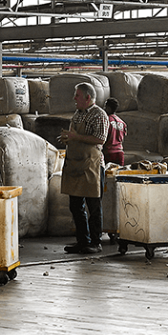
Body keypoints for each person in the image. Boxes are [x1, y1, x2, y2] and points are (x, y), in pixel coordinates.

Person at [59, 82, 108, 255]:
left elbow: (100, 139)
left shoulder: (99, 115)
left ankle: (95, 242)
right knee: (75, 206)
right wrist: (68, 138)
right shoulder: (77, 114)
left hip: (92, 167)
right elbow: (76, 136)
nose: (74, 98)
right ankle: (83, 241)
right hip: (76, 165)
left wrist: (76, 137)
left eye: (77, 95)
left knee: (94, 206)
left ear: (88, 97)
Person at [102, 97, 127, 166]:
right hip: (120, 153)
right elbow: (122, 138)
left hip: (108, 153)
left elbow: (103, 137)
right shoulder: (122, 123)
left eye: (105, 106)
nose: (104, 109)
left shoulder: (106, 121)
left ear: (108, 108)